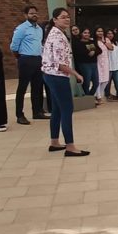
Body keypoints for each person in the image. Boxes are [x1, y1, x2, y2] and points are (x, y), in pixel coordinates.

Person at [41, 8, 89, 157]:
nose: (67, 19)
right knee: (67, 109)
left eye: (68, 17)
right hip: (57, 76)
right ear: (55, 19)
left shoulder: (56, 33)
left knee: (57, 109)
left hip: (50, 75)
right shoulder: (58, 37)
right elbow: (60, 64)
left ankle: (54, 142)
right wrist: (76, 74)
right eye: (63, 17)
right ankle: (70, 146)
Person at [10, 5, 48, 125]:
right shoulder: (21, 28)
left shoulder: (40, 29)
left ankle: (37, 112)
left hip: (38, 59)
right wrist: (20, 57)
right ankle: (19, 115)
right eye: (31, 13)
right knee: (22, 88)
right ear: (26, 15)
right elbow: (14, 46)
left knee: (37, 87)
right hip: (26, 59)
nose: (34, 15)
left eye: (36, 13)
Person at [73, 28, 102, 96]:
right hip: (84, 64)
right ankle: (86, 97)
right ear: (81, 34)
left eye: (88, 33)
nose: (87, 34)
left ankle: (90, 96)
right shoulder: (78, 43)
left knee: (96, 83)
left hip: (94, 64)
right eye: (85, 33)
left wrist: (94, 52)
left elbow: (99, 50)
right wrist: (88, 53)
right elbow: (78, 53)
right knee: (86, 82)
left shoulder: (92, 42)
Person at [105, 29, 118, 101]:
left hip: (116, 65)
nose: (110, 35)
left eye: (111, 33)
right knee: (108, 82)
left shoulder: (116, 42)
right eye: (108, 33)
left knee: (117, 81)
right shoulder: (104, 42)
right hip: (108, 66)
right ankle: (107, 95)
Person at [94, 27, 112, 105]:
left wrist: (104, 42)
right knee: (99, 79)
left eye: (101, 31)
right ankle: (98, 97)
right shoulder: (93, 40)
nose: (100, 33)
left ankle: (99, 94)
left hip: (105, 61)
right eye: (98, 31)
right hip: (97, 61)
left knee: (105, 80)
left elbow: (111, 48)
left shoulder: (106, 39)